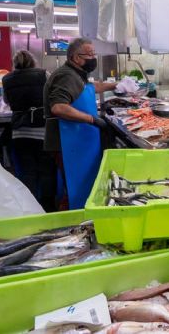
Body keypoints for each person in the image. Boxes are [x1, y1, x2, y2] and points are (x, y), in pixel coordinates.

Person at [43, 38, 118, 209]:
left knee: (79, 183)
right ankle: (71, 224)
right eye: (89, 54)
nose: (93, 58)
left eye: (94, 53)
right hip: (66, 141)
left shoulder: (76, 74)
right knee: (71, 186)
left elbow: (92, 87)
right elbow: (58, 107)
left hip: (77, 140)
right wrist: (92, 119)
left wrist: (117, 85)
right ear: (76, 57)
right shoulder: (66, 76)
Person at [2, 51, 57, 212]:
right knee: (46, 171)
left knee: (27, 172)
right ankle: (48, 208)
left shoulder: (7, 79)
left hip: (20, 133)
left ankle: (30, 208)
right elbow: (52, 96)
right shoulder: (43, 75)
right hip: (42, 132)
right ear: (33, 62)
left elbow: (6, 101)